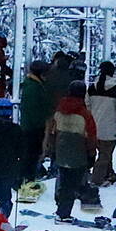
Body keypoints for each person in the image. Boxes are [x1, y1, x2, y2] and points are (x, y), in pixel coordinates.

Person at [48, 81, 98, 221]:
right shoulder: (85, 114)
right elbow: (91, 136)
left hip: (61, 151)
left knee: (64, 182)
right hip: (78, 153)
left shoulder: (59, 110)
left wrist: (52, 150)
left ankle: (61, 208)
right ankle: (64, 213)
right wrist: (91, 154)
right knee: (73, 183)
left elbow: (53, 132)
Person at [88, 62, 116, 188]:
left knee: (103, 153)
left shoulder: (92, 88)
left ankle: (109, 174)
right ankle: (97, 179)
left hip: (93, 127)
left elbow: (87, 106)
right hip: (110, 128)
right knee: (105, 154)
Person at [17, 60, 52, 182]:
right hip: (33, 128)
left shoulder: (33, 85)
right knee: (31, 155)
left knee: (31, 154)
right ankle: (27, 179)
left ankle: (26, 178)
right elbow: (34, 109)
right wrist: (43, 122)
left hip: (31, 126)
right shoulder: (34, 87)